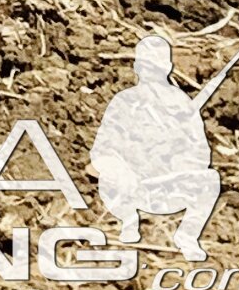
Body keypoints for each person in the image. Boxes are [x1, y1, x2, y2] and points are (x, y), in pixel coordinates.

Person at [93, 36, 222, 262]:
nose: (150, 75)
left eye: (156, 69)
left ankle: (187, 236)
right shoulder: (123, 102)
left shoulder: (182, 106)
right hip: (129, 186)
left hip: (167, 186)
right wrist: (122, 170)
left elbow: (201, 154)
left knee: (210, 179)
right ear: (137, 68)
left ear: (168, 69)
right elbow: (101, 151)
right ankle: (129, 223)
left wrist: (177, 159)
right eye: (146, 68)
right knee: (111, 179)